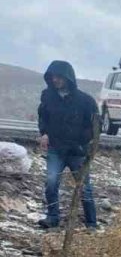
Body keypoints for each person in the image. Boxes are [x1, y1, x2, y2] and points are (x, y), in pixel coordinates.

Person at [37, 60, 99, 230]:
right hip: (55, 149)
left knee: (84, 188)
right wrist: (44, 133)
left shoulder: (85, 101)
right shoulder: (48, 96)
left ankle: (91, 224)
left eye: (58, 77)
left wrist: (83, 143)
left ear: (67, 78)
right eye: (52, 77)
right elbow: (43, 117)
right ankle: (52, 217)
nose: (55, 80)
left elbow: (95, 126)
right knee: (51, 183)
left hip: (77, 152)